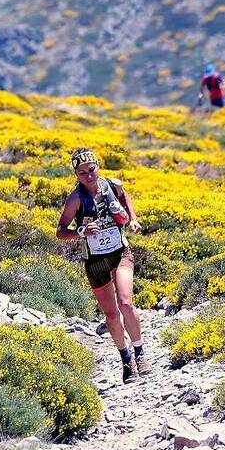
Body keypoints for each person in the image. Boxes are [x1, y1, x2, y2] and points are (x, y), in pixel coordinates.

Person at [56, 148, 152, 384]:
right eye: (82, 173)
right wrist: (81, 231)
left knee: (126, 302)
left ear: (98, 166)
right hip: (95, 259)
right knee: (111, 313)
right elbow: (60, 231)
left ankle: (140, 352)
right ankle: (126, 359)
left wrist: (134, 219)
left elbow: (125, 196)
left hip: (121, 252)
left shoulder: (113, 185)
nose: (88, 176)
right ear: (76, 175)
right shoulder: (75, 199)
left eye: (91, 170)